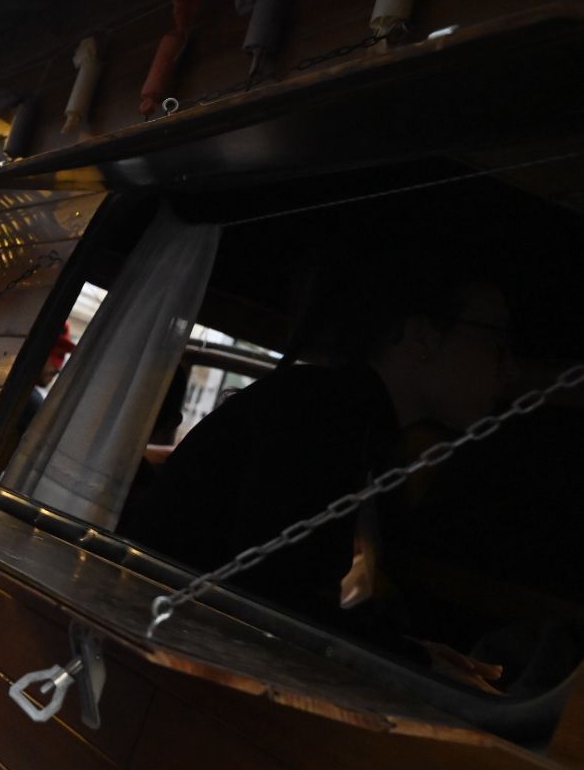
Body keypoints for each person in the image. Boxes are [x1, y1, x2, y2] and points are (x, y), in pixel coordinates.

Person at [122, 262, 515, 630]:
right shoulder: (322, 415)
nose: (508, 368)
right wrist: (411, 660)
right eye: (494, 339)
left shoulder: (345, 417)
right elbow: (267, 597)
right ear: (421, 338)